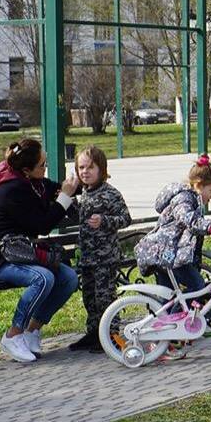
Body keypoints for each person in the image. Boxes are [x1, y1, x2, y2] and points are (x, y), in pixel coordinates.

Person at [0, 138, 80, 363]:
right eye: (42, 165)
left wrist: (81, 179)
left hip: (21, 253)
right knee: (43, 278)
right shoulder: (13, 190)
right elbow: (41, 225)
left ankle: (32, 330)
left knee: (69, 278)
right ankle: (13, 335)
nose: (45, 168)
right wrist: (64, 198)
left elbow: (57, 188)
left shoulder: (34, 182)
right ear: (26, 169)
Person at [134, 154, 211, 301]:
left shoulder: (194, 199)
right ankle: (177, 320)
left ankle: (165, 320)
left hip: (169, 253)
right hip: (168, 253)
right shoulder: (184, 199)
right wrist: (209, 226)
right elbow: (188, 219)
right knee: (197, 286)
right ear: (199, 185)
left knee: (168, 295)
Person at [68, 146, 131, 353]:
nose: (85, 172)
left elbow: (125, 218)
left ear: (101, 169)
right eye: (81, 167)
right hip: (87, 257)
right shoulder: (84, 193)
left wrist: (105, 221)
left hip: (105, 257)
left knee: (105, 297)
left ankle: (111, 335)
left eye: (90, 167)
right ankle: (94, 333)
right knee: (89, 297)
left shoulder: (110, 193)